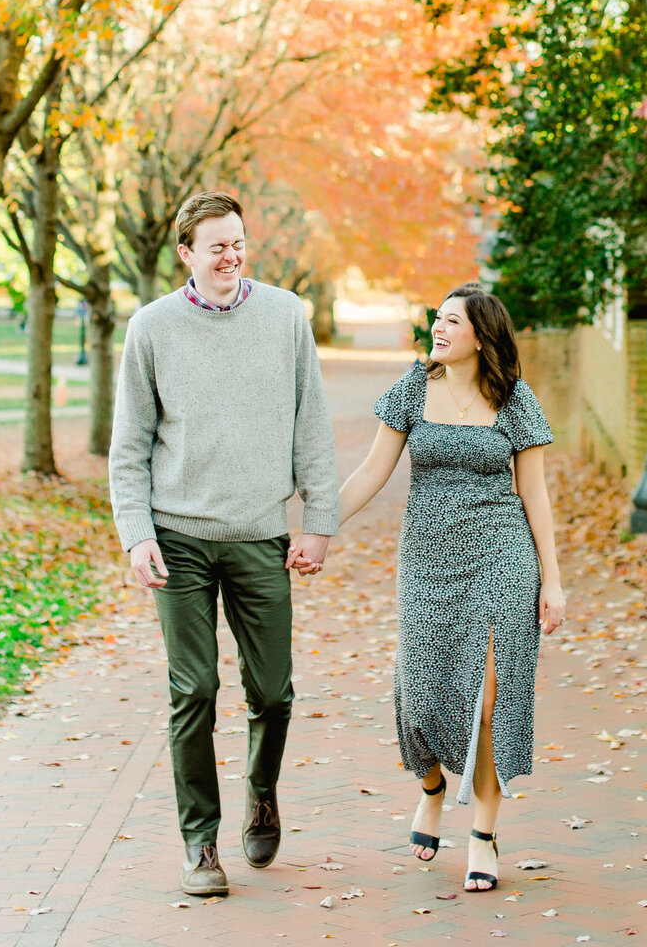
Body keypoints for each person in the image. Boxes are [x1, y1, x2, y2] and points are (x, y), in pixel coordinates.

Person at [108, 190, 340, 899]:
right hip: (178, 538)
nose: (231, 257)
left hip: (260, 533)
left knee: (273, 691)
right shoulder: (151, 328)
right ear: (186, 253)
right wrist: (136, 535)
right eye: (216, 246)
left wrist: (319, 521)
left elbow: (312, 425)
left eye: (238, 243)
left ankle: (261, 792)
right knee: (195, 689)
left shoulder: (284, 317)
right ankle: (200, 843)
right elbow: (129, 448)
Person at [329, 283, 565, 896]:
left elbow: (535, 495)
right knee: (422, 691)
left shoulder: (514, 400)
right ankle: (432, 788)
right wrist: (318, 525)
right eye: (436, 318)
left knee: (489, 698)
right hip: (428, 558)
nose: (438, 327)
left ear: (482, 336)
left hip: (502, 556)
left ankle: (484, 834)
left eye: (452, 321)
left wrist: (554, 581)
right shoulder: (412, 388)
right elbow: (371, 472)